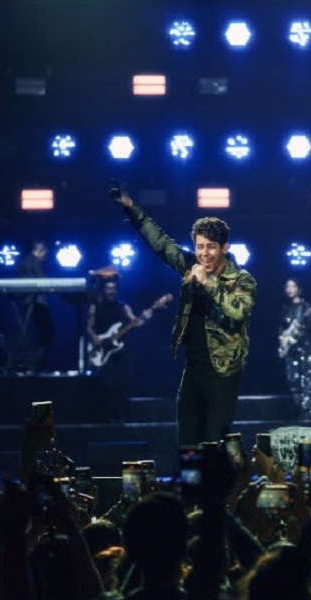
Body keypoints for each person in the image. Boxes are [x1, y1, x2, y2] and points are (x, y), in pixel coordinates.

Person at [110, 182, 256, 446]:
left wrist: (208, 283)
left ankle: (223, 474)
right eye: (200, 247)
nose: (204, 254)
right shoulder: (191, 265)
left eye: (211, 247)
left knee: (215, 441)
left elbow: (237, 313)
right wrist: (132, 208)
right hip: (194, 365)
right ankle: (190, 475)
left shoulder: (242, 279)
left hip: (223, 370)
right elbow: (161, 244)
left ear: (224, 248)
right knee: (188, 440)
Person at [86, 279, 151, 423]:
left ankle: (121, 416)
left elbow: (135, 322)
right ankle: (109, 416)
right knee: (108, 385)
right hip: (104, 350)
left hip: (120, 351)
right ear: (104, 290)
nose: (111, 291)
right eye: (109, 288)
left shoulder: (123, 307)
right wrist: (95, 338)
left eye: (114, 288)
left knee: (122, 383)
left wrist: (145, 318)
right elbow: (89, 327)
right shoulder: (96, 307)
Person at [278, 279, 311, 420]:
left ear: (299, 289)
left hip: (305, 348)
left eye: (292, 286)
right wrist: (282, 338)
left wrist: (300, 328)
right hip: (290, 349)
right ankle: (297, 411)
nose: (289, 289)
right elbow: (281, 327)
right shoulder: (285, 308)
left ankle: (308, 415)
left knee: (307, 382)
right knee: (292, 380)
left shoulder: (306, 307)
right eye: (287, 286)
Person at [16, 240, 53, 372]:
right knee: (46, 335)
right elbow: (42, 281)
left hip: (33, 301)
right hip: (34, 302)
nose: (45, 258)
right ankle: (32, 364)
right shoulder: (32, 262)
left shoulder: (29, 261)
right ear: (39, 250)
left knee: (42, 335)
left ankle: (33, 364)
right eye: (45, 254)